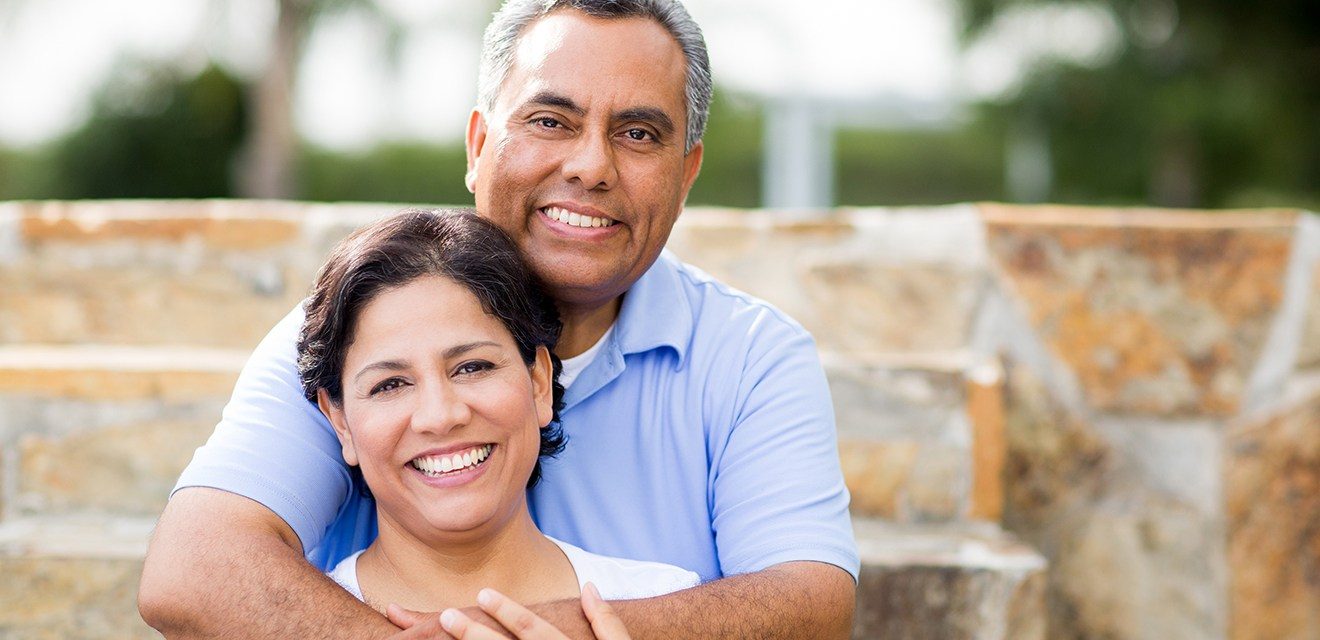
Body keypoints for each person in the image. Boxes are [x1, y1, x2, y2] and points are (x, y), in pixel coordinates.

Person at [139, 1, 859, 638]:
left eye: (638, 134)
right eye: (551, 120)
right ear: (479, 145)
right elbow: (193, 567)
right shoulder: (354, 330)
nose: (591, 166)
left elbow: (810, 603)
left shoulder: (752, 357)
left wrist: (565, 629)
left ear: (687, 172)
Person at [300, 209, 698, 623]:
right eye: (391, 384)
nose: (440, 416)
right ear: (340, 422)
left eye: (473, 367)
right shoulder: (283, 624)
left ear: (539, 382)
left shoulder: (664, 599)